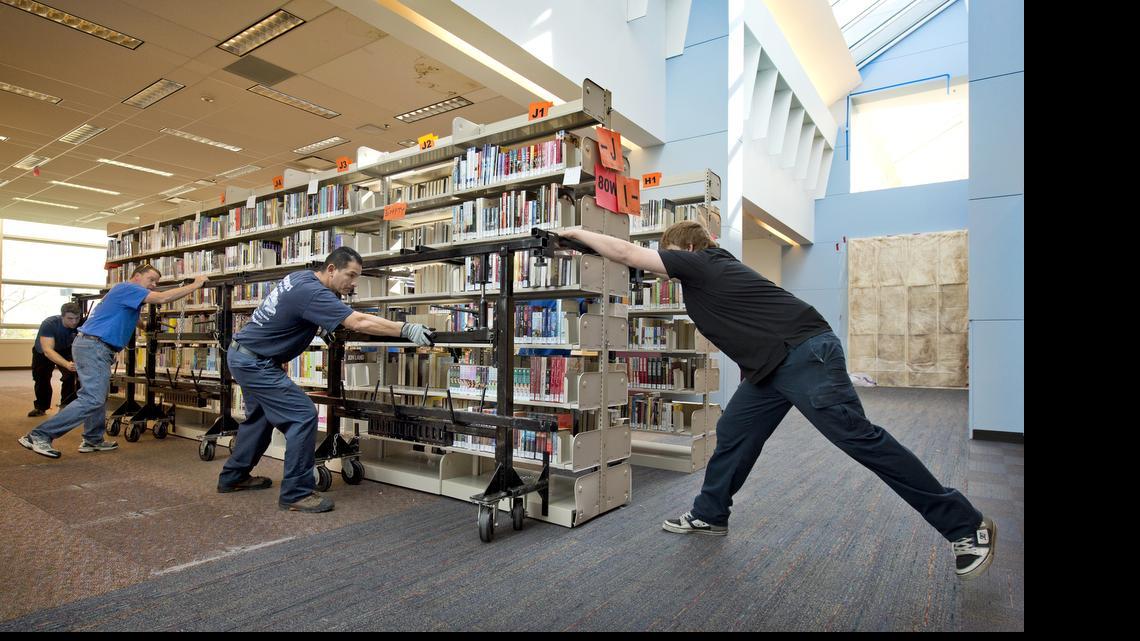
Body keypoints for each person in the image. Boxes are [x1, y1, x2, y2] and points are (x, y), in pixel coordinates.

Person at [558, 221, 995, 581]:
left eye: (670, 256)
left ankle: (966, 525)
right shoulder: (713, 272)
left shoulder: (703, 264)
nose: (663, 269)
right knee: (732, 430)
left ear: (687, 250)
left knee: (860, 439)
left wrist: (578, 232)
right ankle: (710, 513)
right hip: (773, 365)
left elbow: (629, 254)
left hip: (804, 356)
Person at [217, 247, 434, 513]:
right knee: (302, 415)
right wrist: (405, 328)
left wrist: (324, 325)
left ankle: (233, 477)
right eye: (350, 275)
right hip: (256, 362)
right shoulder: (312, 292)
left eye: (357, 278)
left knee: (260, 419)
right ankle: (296, 494)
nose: (353, 284)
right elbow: (358, 321)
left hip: (246, 356)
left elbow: (293, 313)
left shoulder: (300, 277)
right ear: (331, 270)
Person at [19, 265, 208, 458]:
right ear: (136, 276)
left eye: (156, 282)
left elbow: (124, 315)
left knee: (97, 396)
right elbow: (162, 298)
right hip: (94, 346)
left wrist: (143, 326)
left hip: (93, 346)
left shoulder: (123, 293)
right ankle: (39, 435)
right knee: (92, 398)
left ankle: (93, 439)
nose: (153, 285)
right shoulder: (127, 288)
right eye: (151, 280)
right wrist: (196, 284)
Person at [28, 302, 82, 417]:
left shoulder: (81, 323)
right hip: (43, 351)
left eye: (77, 318)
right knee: (42, 378)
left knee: (70, 376)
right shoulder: (49, 324)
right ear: (62, 316)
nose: (74, 322)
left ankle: (66, 408)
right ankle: (41, 407)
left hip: (65, 349)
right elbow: (48, 351)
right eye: (70, 318)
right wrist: (66, 364)